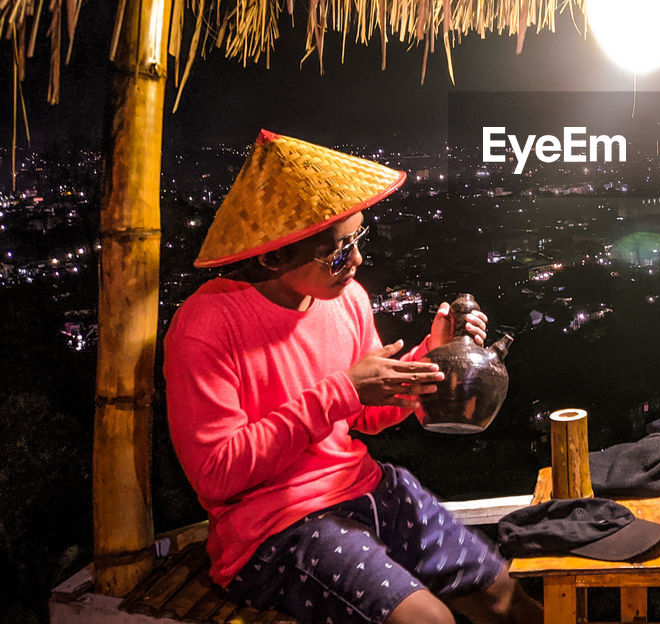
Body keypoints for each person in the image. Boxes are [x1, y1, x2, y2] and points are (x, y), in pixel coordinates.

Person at [164, 130, 542, 624]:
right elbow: (217, 475)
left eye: (357, 240)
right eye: (337, 251)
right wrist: (339, 392)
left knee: (510, 602)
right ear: (274, 255)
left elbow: (367, 414)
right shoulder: (208, 323)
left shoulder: (346, 300)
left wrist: (433, 357)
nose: (356, 262)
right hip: (276, 528)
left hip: (362, 487)